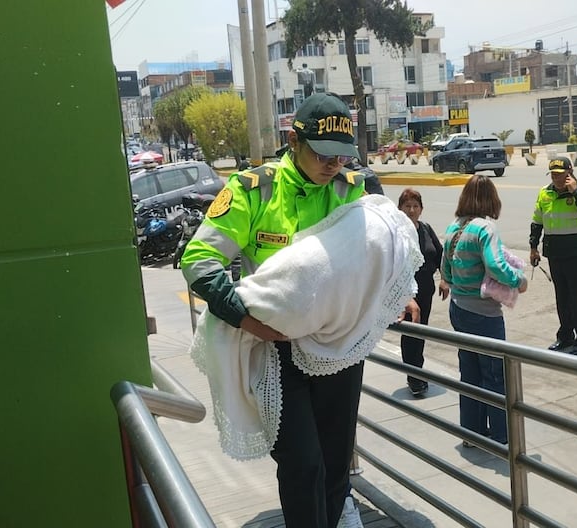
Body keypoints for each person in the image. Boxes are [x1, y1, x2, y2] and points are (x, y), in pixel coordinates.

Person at [181, 92, 419, 528]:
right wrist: (246, 317)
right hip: (278, 349)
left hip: (339, 346)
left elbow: (380, 250)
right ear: (294, 140)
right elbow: (198, 260)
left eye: (342, 156)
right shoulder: (256, 190)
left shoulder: (353, 188)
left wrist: (399, 291)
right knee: (302, 463)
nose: (334, 166)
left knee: (332, 463)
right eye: (323, 154)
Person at [439, 175, 527, 445]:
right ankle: (501, 436)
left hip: (459, 309)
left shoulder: (454, 228)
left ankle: (472, 433)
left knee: (470, 373)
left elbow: (445, 272)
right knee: (495, 375)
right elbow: (496, 265)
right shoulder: (484, 229)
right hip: (484, 314)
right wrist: (518, 280)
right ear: (491, 199)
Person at [529, 157, 577, 356]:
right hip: (555, 254)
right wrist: (533, 247)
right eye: (553, 175)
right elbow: (537, 221)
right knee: (562, 298)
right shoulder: (545, 192)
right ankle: (566, 335)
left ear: (570, 172)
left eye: (560, 175)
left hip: (576, 254)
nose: (557, 179)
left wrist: (575, 192)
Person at [398, 188, 443, 397]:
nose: (412, 210)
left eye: (416, 206)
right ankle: (414, 377)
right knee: (411, 335)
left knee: (421, 332)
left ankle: (418, 371)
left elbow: (440, 255)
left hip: (426, 290)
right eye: (407, 206)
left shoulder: (425, 228)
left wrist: (445, 279)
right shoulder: (396, 231)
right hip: (407, 293)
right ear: (400, 208)